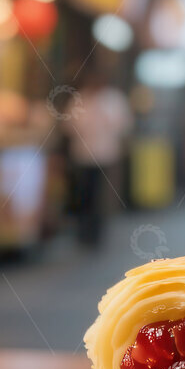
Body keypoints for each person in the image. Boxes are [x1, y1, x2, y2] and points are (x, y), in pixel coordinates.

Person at [65, 73, 132, 246]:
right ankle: (83, 232)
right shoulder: (80, 99)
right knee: (83, 194)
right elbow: (69, 125)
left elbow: (123, 124)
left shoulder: (113, 99)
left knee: (100, 196)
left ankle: (98, 233)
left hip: (106, 155)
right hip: (82, 155)